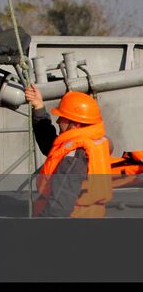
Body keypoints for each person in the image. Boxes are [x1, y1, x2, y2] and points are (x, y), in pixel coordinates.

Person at [24, 83, 113, 217]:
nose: (58, 121)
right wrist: (39, 107)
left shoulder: (74, 157)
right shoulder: (95, 141)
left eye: (62, 117)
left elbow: (59, 207)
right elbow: (52, 145)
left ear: (75, 123)